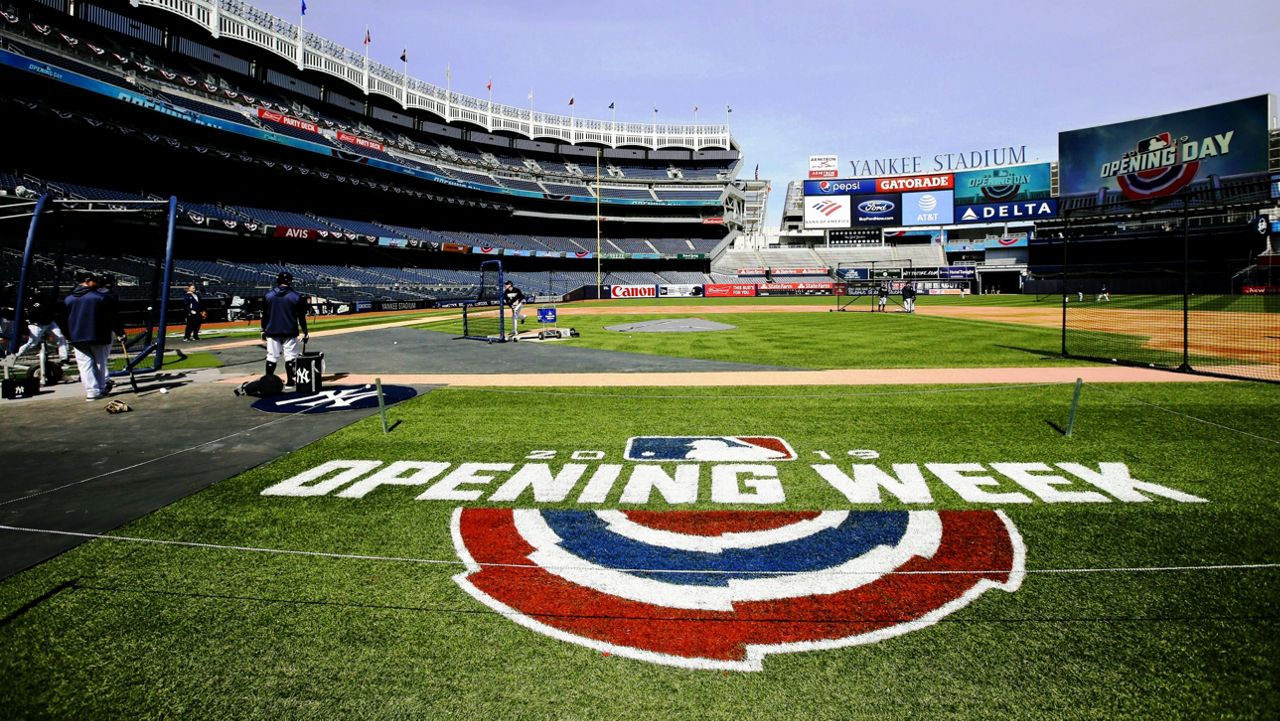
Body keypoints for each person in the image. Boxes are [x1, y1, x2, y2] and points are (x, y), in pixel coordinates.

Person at [64, 272, 123, 401]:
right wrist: (120, 332)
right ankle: (101, 387)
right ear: (88, 280)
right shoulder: (100, 297)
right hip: (98, 335)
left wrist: (69, 336)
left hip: (77, 338)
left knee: (84, 365)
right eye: (94, 280)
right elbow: (112, 318)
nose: (97, 282)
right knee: (100, 363)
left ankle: (91, 392)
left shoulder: (68, 299)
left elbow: (63, 321)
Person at [262, 271, 308, 388]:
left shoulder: (268, 295)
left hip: (272, 330)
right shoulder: (296, 296)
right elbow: (301, 317)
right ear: (291, 281)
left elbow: (265, 316)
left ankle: (268, 381)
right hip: (290, 330)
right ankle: (290, 382)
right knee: (290, 356)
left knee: (272, 356)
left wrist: (263, 330)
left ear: (278, 280)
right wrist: (305, 331)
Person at [14, 287, 70, 364]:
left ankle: (64, 358)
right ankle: (12, 358)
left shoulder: (45, 299)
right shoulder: (29, 301)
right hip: (37, 324)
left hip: (49, 321)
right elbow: (30, 314)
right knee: (32, 343)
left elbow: (53, 308)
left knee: (60, 337)